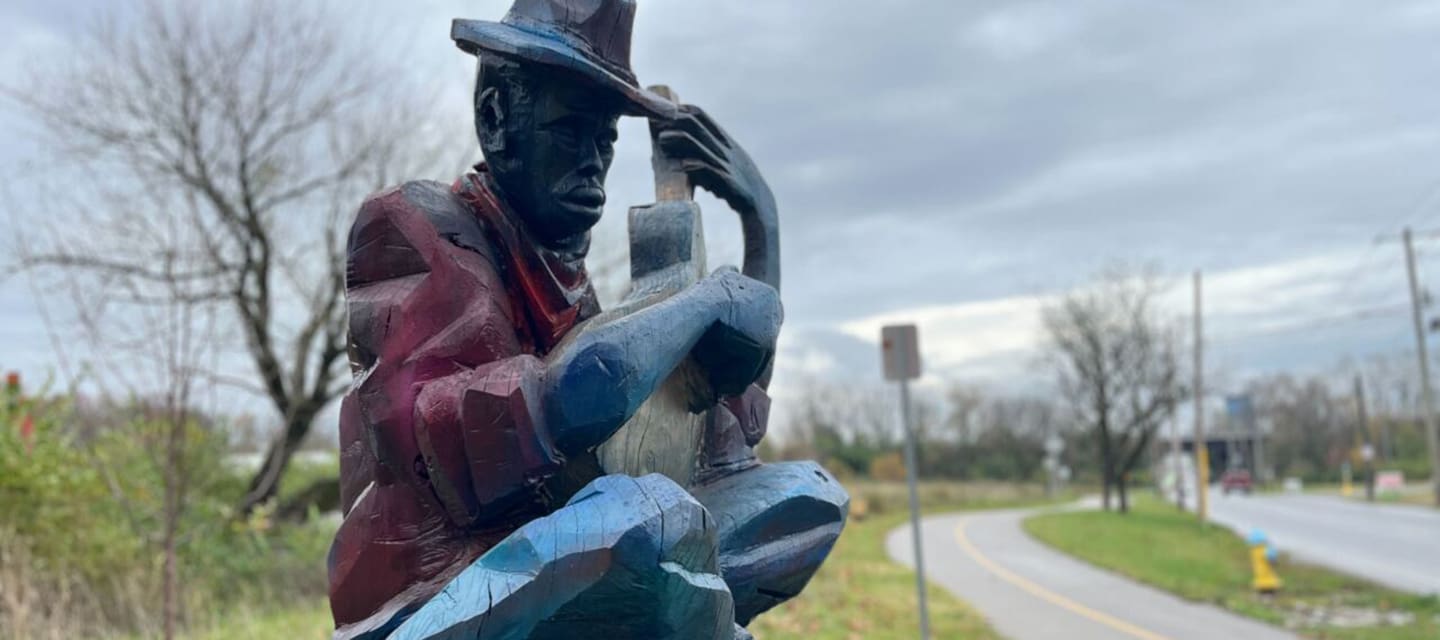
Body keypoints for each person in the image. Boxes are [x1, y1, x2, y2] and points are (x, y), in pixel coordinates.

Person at [327, 2, 847, 638]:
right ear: (495, 118)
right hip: (430, 604)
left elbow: (720, 436)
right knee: (650, 520)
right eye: (570, 132)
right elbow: (477, 442)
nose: (593, 162)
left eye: (605, 140)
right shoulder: (418, 229)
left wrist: (759, 224)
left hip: (567, 568)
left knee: (800, 497)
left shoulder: (574, 291)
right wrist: (695, 309)